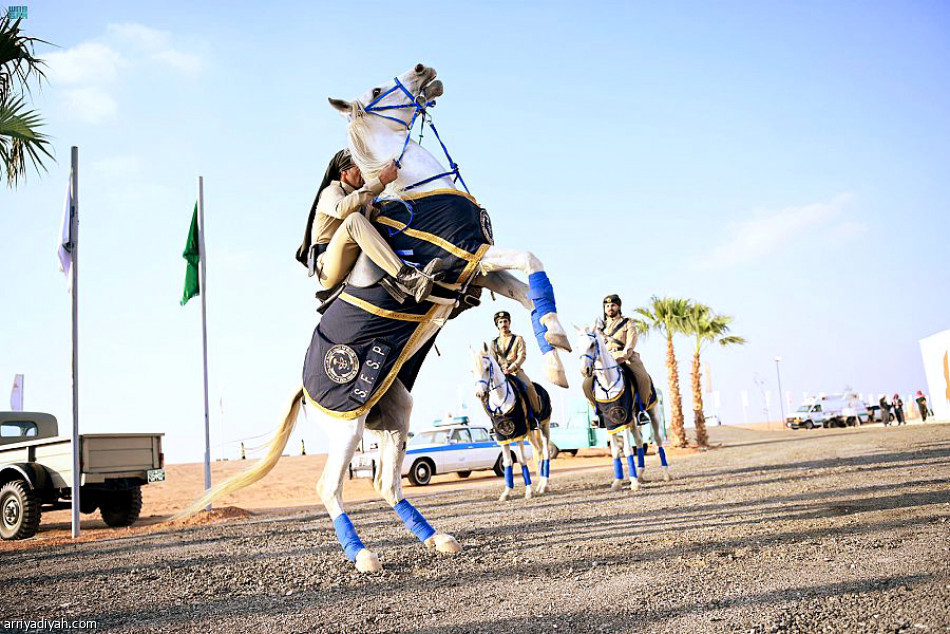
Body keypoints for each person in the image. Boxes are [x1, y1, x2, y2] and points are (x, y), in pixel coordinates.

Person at [295, 149, 442, 302]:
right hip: (327, 266)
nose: (363, 171)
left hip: (354, 258)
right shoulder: (332, 191)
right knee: (354, 220)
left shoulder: (365, 201)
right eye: (358, 166)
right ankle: (407, 277)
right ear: (344, 172)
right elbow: (341, 210)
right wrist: (380, 181)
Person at [596, 294, 655, 413]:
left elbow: (632, 340)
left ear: (618, 306)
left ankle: (641, 409)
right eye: (607, 306)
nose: (610, 308)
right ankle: (597, 413)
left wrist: (624, 356)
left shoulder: (627, 322)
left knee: (643, 378)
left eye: (613, 305)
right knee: (588, 382)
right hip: (607, 359)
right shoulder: (600, 327)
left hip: (625, 356)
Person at [491, 311, 542, 417]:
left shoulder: (518, 339)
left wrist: (511, 368)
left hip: (515, 371)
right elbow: (493, 360)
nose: (503, 324)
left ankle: (536, 415)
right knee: (487, 391)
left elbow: (521, 356)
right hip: (500, 373)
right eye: (500, 322)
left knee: (529, 386)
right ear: (497, 325)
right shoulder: (494, 343)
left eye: (505, 321)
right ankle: (494, 418)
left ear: (509, 323)